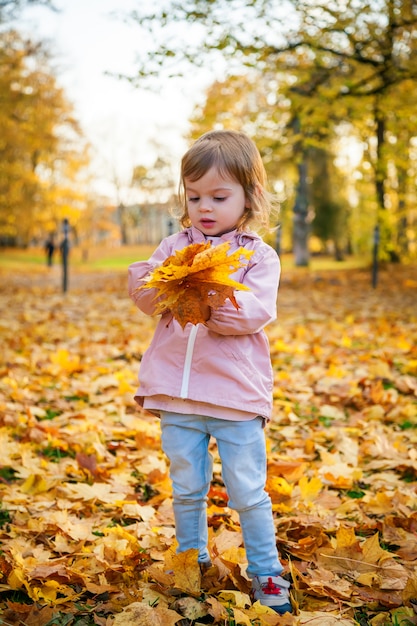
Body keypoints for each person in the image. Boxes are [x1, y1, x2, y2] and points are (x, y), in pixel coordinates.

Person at [128, 130, 292, 615]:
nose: (205, 206)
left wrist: (217, 299)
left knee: (247, 489)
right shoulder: (174, 246)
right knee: (186, 485)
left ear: (250, 197)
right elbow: (148, 297)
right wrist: (161, 281)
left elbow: (256, 310)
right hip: (176, 397)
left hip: (234, 398)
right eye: (194, 195)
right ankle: (192, 561)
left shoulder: (258, 256)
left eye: (219, 197)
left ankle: (267, 573)